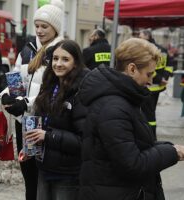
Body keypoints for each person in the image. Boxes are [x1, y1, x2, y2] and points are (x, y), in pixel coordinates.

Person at [75, 38, 184, 200]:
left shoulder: (122, 99)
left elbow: (133, 145)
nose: (151, 80)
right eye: (149, 73)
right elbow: (132, 164)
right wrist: (172, 152)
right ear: (132, 69)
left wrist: (170, 147)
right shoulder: (114, 107)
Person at [0, 0, 64, 199]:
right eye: (37, 26)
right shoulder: (26, 50)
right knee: (28, 174)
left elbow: (55, 89)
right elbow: (15, 79)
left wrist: (25, 103)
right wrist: (7, 96)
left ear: (55, 28)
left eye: (44, 26)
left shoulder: (60, 52)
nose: (39, 30)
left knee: (41, 177)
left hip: (43, 123)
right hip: (24, 121)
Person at [24, 39, 90, 200]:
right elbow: (43, 122)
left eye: (65, 59)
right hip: (44, 167)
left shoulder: (81, 92)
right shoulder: (49, 85)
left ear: (76, 63)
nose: (58, 64)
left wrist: (47, 136)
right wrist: (30, 145)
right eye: (55, 58)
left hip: (67, 174)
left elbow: (84, 141)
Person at [139, 29, 173, 138]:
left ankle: (150, 137)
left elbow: (147, 69)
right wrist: (165, 77)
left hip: (148, 87)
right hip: (158, 87)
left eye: (141, 37)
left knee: (148, 114)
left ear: (147, 37)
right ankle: (150, 135)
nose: (139, 39)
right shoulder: (162, 49)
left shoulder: (146, 50)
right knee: (151, 112)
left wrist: (159, 79)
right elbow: (170, 65)